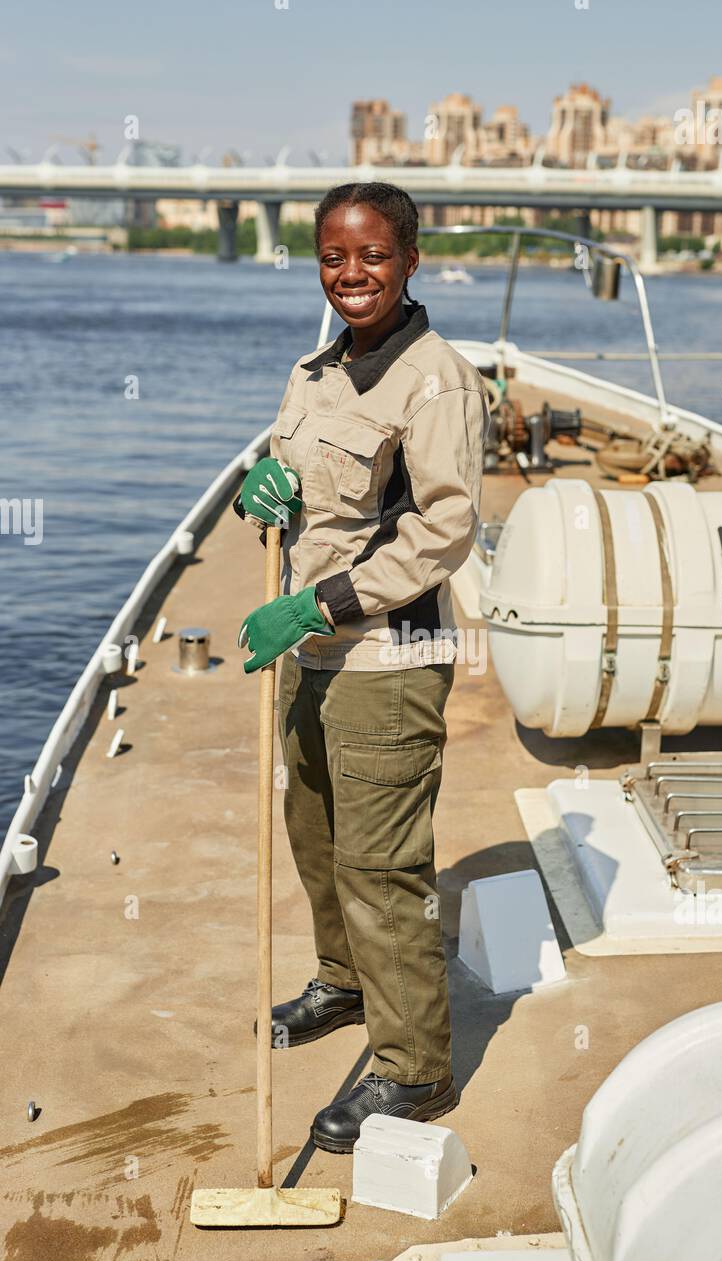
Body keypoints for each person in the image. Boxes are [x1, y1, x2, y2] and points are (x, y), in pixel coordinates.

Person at [235, 182, 489, 1153]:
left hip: (388, 650)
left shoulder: (437, 381)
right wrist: (262, 496)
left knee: (381, 865)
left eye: (373, 256)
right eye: (335, 257)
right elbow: (296, 485)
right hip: (314, 648)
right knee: (315, 830)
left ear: (411, 260)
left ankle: (414, 1068)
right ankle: (343, 981)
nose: (352, 274)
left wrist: (320, 601)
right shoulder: (314, 372)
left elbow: (442, 531)